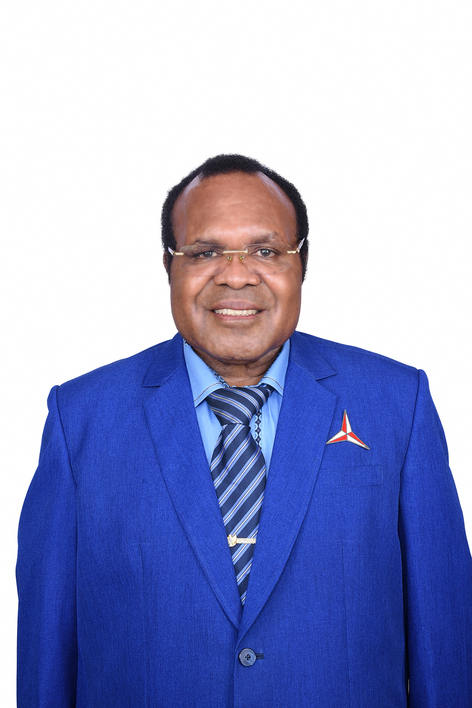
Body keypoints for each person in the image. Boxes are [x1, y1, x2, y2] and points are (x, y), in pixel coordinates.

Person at [17, 154, 472, 707]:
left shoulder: (398, 404)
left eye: (265, 251)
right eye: (205, 252)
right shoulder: (81, 420)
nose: (236, 275)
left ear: (303, 263)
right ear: (169, 266)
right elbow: (45, 659)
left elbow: (444, 644)